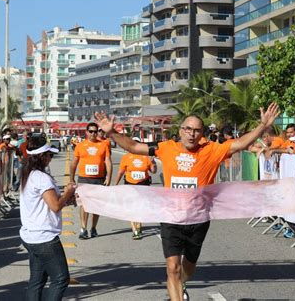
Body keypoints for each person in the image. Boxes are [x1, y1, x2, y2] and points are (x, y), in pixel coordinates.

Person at [94, 102, 280, 301]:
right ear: (181, 130)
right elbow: (133, 146)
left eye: (197, 131)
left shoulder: (212, 150)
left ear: (202, 134)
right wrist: (112, 132)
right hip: (170, 217)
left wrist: (262, 126)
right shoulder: (166, 148)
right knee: (172, 268)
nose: (192, 134)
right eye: (188, 129)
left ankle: (181, 283)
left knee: (187, 269)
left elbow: (240, 143)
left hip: (198, 219)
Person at [19, 135, 76, 300]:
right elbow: (55, 205)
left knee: (37, 281)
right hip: (44, 238)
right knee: (60, 279)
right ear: (41, 156)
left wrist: (67, 199)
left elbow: (47, 203)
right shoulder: (41, 178)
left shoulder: (27, 173)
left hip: (31, 235)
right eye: (49, 155)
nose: (51, 158)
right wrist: (68, 193)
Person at [70, 122, 112, 240]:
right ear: (87, 132)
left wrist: (109, 177)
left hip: (99, 179)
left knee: (96, 205)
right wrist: (71, 178)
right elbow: (74, 163)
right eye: (91, 131)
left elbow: (108, 161)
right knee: (84, 204)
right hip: (84, 178)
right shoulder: (80, 145)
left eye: (95, 131)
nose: (93, 134)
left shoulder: (103, 145)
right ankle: (83, 229)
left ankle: (93, 228)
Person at [115, 137, 157, 239]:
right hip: (130, 184)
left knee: (140, 207)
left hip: (143, 185)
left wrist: (154, 162)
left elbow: (153, 171)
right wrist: (115, 185)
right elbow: (120, 172)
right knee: (132, 208)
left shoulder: (146, 157)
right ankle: (135, 230)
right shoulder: (126, 157)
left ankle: (139, 226)